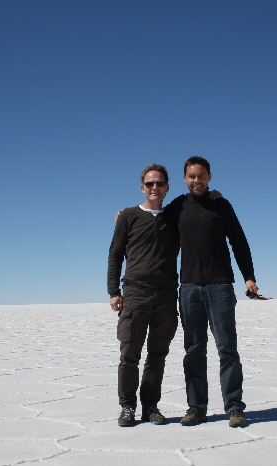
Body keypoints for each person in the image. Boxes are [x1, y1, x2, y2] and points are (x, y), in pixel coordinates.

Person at [164, 156, 259, 428]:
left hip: (220, 286)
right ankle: (196, 407)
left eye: (202, 176)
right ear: (185, 179)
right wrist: (127, 215)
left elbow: (239, 241)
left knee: (227, 349)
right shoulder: (177, 207)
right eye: (192, 176)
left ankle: (234, 408)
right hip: (190, 287)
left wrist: (249, 277)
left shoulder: (221, 205)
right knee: (193, 350)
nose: (197, 181)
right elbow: (154, 220)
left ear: (209, 177)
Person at [107, 163, 179, 427]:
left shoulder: (175, 216)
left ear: (167, 187)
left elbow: (197, 205)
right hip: (135, 293)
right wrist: (114, 291)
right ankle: (127, 407)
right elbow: (115, 254)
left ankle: (150, 406)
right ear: (142, 187)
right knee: (129, 355)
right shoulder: (128, 216)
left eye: (159, 183)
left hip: (166, 294)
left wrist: (213, 195)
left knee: (157, 354)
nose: (154, 188)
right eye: (149, 184)